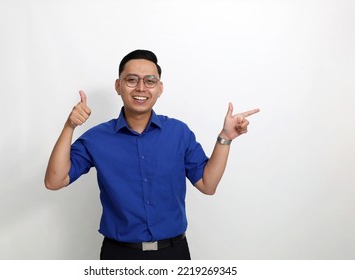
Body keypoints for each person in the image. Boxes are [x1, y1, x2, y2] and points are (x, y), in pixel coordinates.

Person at [44, 49, 259, 260]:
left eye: (149, 81)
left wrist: (225, 137)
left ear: (159, 88)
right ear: (118, 86)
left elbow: (207, 185)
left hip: (174, 253)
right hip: (119, 256)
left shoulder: (179, 132)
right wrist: (70, 126)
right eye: (131, 80)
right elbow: (54, 181)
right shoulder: (97, 138)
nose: (141, 88)